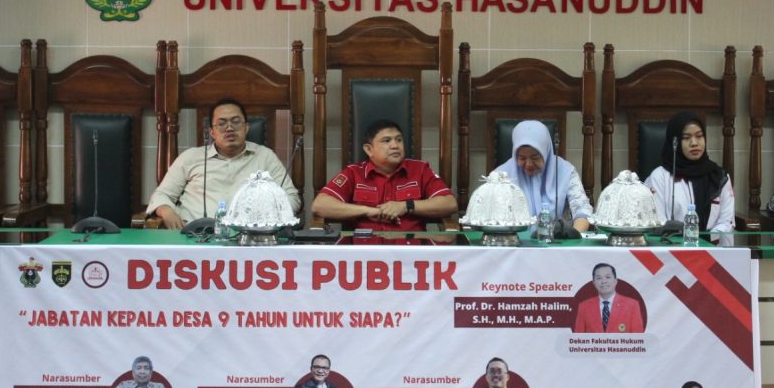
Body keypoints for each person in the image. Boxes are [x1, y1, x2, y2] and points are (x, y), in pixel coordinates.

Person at [146, 97, 301, 229]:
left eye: (236, 122)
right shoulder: (190, 157)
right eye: (221, 123)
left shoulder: (265, 157)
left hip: (248, 239)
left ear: (246, 128)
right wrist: (167, 211)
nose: (229, 128)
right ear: (212, 132)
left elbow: (292, 198)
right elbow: (161, 195)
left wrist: (264, 215)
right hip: (194, 236)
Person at [311, 119, 458, 232]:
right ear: (369, 150)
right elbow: (320, 205)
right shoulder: (353, 173)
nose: (395, 145)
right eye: (386, 141)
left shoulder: (420, 170)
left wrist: (407, 206)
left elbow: (449, 203)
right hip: (364, 251)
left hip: (411, 250)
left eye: (399, 140)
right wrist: (367, 211)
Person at [493, 120, 594, 232]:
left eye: (535, 157)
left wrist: (574, 235)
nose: (529, 164)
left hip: (556, 240)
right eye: (522, 158)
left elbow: (583, 211)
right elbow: (491, 215)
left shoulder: (565, 171)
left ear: (546, 152)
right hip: (513, 240)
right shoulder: (500, 176)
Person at [644, 111, 734, 233]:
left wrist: (705, 242)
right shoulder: (659, 177)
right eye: (686, 138)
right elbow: (658, 222)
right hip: (672, 242)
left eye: (699, 136)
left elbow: (726, 222)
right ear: (674, 142)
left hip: (711, 243)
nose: (694, 143)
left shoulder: (719, 177)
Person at [573, 263, 644, 333]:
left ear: (615, 281)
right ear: (594, 283)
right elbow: (578, 338)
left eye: (608, 277)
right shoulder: (584, 306)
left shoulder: (632, 305)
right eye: (599, 278)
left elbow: (638, 338)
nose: (604, 281)